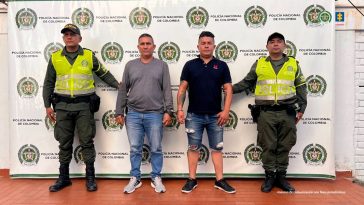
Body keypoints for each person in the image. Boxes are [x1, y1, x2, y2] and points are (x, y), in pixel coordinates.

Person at [43, 23, 119, 192]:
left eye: (72, 34)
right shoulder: (55, 57)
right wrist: (47, 105)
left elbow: (103, 73)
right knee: (64, 143)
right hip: (62, 107)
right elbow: (48, 82)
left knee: (87, 142)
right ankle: (63, 178)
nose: (69, 37)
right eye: (66, 34)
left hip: (84, 107)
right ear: (63, 38)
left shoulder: (88, 55)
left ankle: (90, 178)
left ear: (80, 38)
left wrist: (118, 86)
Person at [233, 32, 307, 193]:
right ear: (267, 46)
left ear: (284, 46)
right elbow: (247, 82)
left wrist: (302, 109)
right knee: (268, 145)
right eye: (272, 42)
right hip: (265, 113)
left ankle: (281, 177)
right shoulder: (260, 63)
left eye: (279, 42)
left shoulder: (293, 64)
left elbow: (301, 86)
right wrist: (229, 89)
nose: (275, 44)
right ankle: (269, 177)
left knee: (284, 145)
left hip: (287, 112)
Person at [176, 31, 236, 194]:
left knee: (217, 148)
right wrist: (180, 109)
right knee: (193, 147)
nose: (206, 45)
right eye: (203, 43)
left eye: (209, 43)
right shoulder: (190, 65)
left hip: (215, 116)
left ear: (214, 46)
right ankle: (191, 179)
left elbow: (228, 90)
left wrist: (225, 110)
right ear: (198, 46)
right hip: (194, 115)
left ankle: (220, 180)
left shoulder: (222, 65)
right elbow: (182, 88)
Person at [115, 33, 174, 194]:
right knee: (135, 148)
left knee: (156, 147)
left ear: (154, 47)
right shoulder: (130, 65)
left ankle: (156, 176)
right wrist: (119, 111)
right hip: (133, 114)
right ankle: (135, 178)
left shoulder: (162, 66)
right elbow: (123, 89)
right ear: (138, 47)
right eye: (142, 44)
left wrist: (169, 111)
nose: (146, 46)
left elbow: (167, 90)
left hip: (155, 114)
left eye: (149, 43)